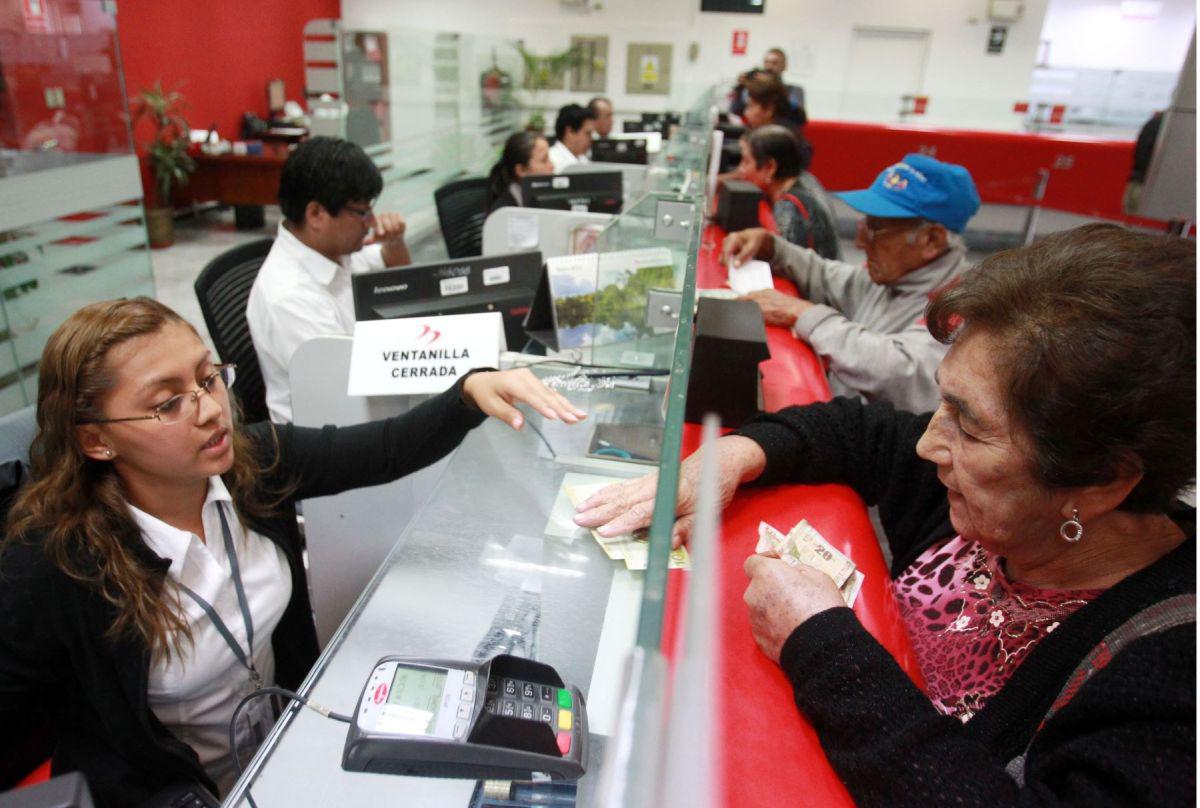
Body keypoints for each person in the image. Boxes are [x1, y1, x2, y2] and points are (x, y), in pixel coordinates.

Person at [575, 224, 1196, 805]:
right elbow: (862, 431)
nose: (930, 446)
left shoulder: (1168, 687)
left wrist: (822, 644)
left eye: (970, 427)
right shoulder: (994, 498)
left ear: (1101, 480)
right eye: (942, 406)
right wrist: (733, 456)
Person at [0, 297, 587, 806]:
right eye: (168, 402)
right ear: (96, 439)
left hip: (289, 754)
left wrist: (468, 393)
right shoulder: (54, 560)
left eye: (207, 378)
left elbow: (382, 449)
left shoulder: (251, 462)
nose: (209, 409)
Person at [726, 153, 981, 413]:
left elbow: (900, 370)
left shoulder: (958, 308)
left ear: (932, 241)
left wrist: (805, 314)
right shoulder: (894, 275)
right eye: (863, 226)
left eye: (875, 230)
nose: (860, 243)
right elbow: (827, 276)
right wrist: (773, 248)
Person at [246, 136, 412, 423]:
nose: (372, 221)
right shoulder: (290, 298)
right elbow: (345, 400)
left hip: (361, 403)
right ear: (316, 214)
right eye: (362, 212)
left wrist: (394, 242)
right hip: (332, 438)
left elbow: (395, 268)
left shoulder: (331, 251)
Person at [736, 125, 839, 259]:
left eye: (746, 162)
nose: (740, 170)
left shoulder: (789, 207)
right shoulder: (806, 179)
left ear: (770, 167)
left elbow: (788, 265)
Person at [730, 48, 806, 127]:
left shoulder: (794, 90)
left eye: (775, 63)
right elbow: (735, 110)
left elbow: (798, 118)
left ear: (784, 66)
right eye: (766, 63)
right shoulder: (755, 90)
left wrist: (774, 87)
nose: (769, 67)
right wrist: (740, 87)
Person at [487, 131, 554, 213]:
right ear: (521, 170)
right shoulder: (504, 211)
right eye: (544, 160)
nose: (552, 166)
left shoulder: (539, 197)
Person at [548, 103, 595, 171]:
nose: (591, 139)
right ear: (569, 131)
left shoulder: (584, 160)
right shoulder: (552, 161)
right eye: (587, 133)